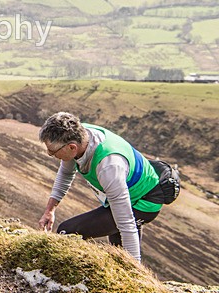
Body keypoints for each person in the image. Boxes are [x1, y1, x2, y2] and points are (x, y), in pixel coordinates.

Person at [37, 112, 163, 262]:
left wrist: (137, 270)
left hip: (144, 202)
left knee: (68, 231)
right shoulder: (79, 136)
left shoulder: (109, 166)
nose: (50, 154)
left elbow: (126, 223)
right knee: (119, 254)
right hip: (124, 195)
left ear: (72, 147)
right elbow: (65, 173)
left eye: (52, 152)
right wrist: (49, 210)